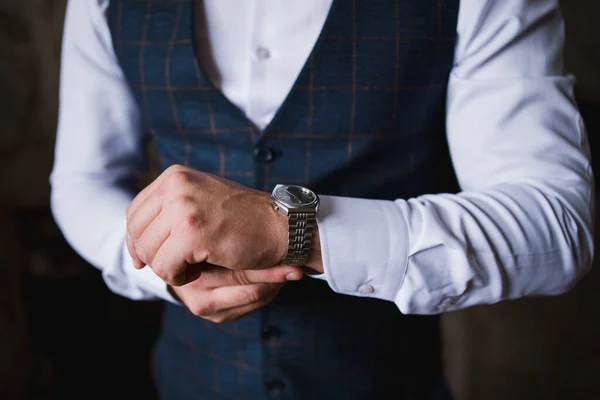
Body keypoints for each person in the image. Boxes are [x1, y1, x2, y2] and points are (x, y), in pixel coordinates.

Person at [50, 0, 594, 398]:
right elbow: (82, 181)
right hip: (187, 381)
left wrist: (287, 230)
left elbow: (555, 223)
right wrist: (158, 264)